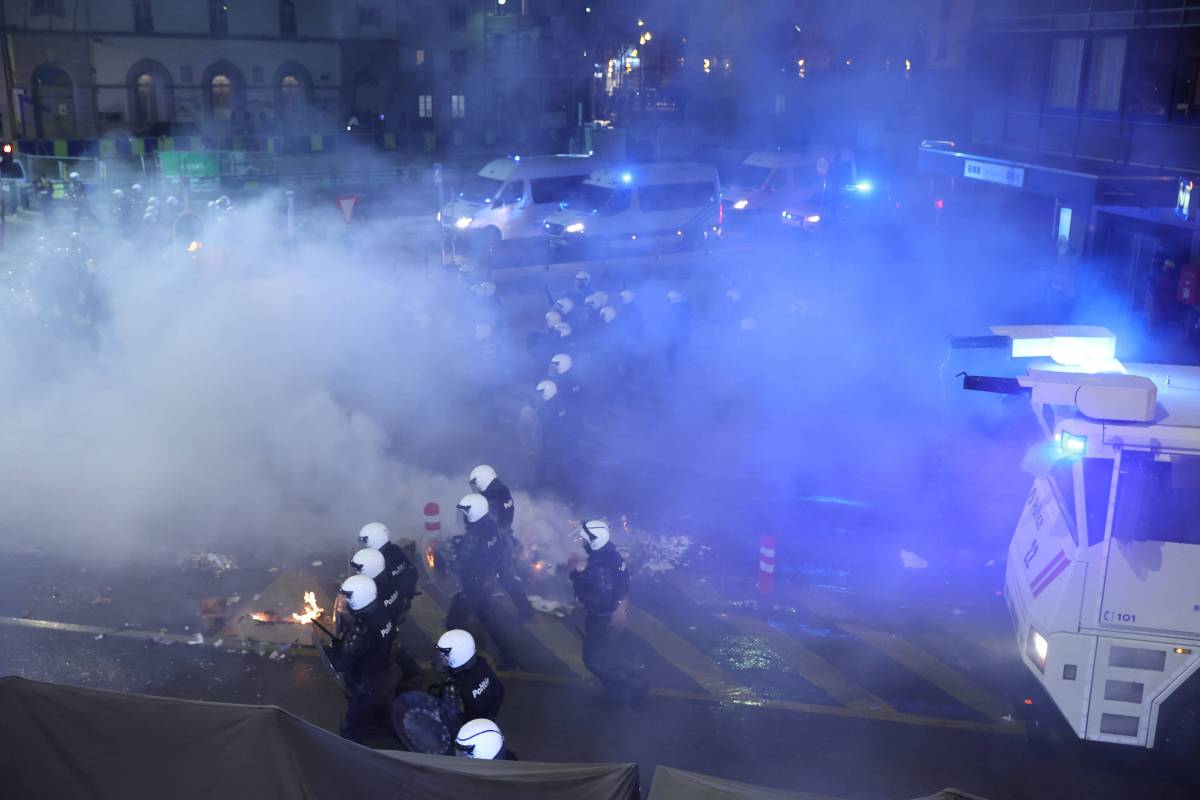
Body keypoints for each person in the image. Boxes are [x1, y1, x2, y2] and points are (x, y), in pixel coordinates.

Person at [569, 520, 648, 706]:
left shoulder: (599, 566)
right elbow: (624, 582)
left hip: (602, 618)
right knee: (605, 655)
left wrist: (578, 579)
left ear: (594, 541)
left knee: (593, 661)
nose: (582, 542)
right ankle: (613, 693)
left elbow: (603, 599)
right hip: (611, 615)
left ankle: (634, 685)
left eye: (585, 540)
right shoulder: (611, 554)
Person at [445, 494, 521, 668]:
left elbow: (461, 564)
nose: (463, 516)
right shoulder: (491, 526)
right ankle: (511, 657)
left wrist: (450, 555)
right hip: (486, 582)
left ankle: (458, 658)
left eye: (466, 513)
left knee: (453, 622)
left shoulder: (473, 536)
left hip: (473, 586)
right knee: (489, 621)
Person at [329, 574, 398, 742]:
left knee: (352, 725)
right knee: (384, 709)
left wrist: (334, 653)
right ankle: (386, 726)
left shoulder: (361, 628)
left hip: (366, 680)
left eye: (349, 597)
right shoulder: (382, 609)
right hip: (386, 671)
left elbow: (343, 661)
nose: (345, 600)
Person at [469, 465, 534, 620]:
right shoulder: (503, 491)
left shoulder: (490, 498)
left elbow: (488, 523)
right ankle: (526, 610)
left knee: (479, 577)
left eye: (476, 484)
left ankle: (484, 616)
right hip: (504, 542)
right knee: (507, 577)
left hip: (492, 544)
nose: (476, 488)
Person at [350, 547, 421, 682]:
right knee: (394, 647)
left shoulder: (374, 592)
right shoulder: (389, 581)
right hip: (391, 624)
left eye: (359, 569)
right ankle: (413, 673)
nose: (357, 572)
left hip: (379, 633)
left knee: (377, 657)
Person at [434, 628, 505, 722]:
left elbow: (451, 721)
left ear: (458, 655)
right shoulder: (482, 665)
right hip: (485, 721)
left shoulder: (454, 687)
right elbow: (499, 692)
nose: (442, 657)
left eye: (445, 654)